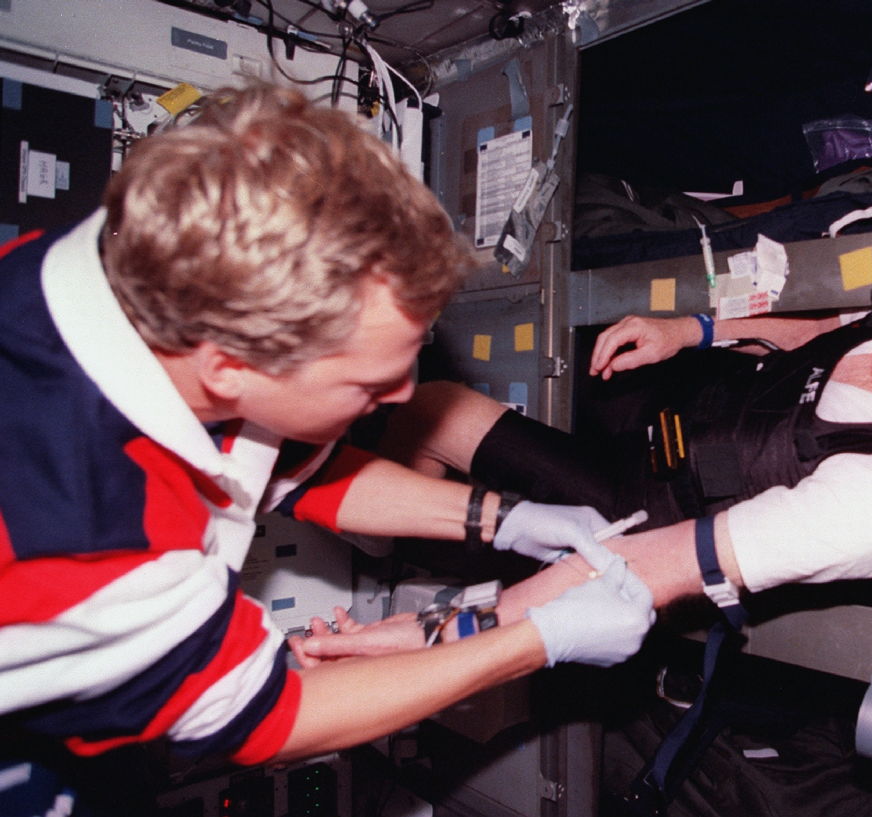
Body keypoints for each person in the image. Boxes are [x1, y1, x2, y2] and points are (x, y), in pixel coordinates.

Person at [0, 83, 655, 815]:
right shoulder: (91, 537)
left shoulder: (112, 277)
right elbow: (278, 719)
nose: (407, 394)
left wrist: (506, 516)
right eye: (368, 381)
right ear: (230, 367)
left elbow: (274, 463)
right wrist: (542, 638)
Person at [293, 220, 872, 660]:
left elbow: (641, 570)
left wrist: (415, 640)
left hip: (633, 518)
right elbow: (833, 328)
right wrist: (694, 329)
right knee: (428, 403)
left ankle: (387, 555)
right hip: (680, 410)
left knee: (436, 405)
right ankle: (369, 516)